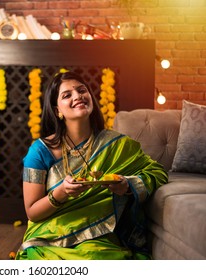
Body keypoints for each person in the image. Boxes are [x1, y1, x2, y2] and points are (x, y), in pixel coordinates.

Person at [15, 71, 168, 260]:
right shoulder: (39, 152)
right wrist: (61, 192)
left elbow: (158, 172)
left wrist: (127, 186)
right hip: (48, 237)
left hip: (97, 236)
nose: (77, 96)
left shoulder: (116, 145)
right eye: (67, 95)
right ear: (57, 111)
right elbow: (32, 212)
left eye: (81, 90)